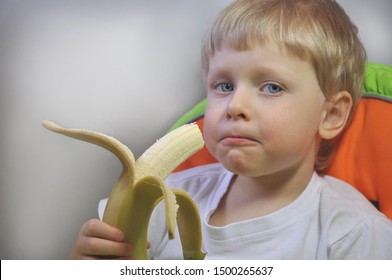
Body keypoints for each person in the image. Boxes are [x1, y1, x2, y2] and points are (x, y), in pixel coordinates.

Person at [69, 0, 392, 259]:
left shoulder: (354, 235)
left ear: (331, 114)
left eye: (272, 88)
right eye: (223, 85)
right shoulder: (159, 202)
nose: (235, 105)